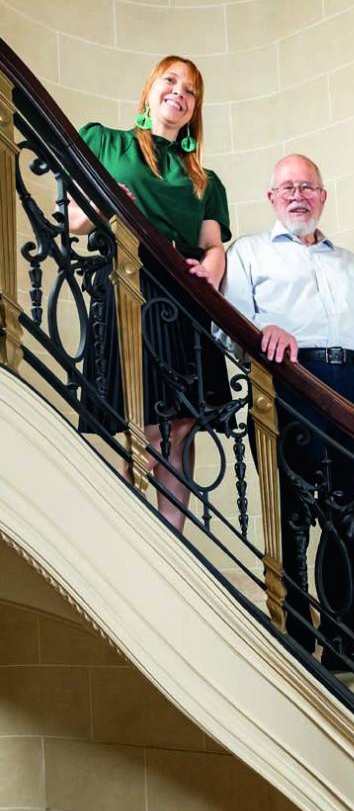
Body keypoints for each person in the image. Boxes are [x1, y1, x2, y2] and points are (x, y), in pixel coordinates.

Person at [218, 153, 354, 670]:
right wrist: (260, 332)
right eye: (288, 187)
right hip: (287, 382)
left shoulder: (351, 262)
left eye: (308, 187)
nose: (299, 195)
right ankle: (296, 636)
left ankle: (341, 642)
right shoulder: (248, 252)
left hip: (350, 388)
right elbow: (226, 322)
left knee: (348, 516)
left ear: (323, 196)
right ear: (272, 199)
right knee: (291, 515)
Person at [67, 55, 231, 533]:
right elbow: (73, 220)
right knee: (147, 425)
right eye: (171, 81)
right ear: (150, 90)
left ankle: (172, 546)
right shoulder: (106, 142)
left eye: (191, 90)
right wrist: (108, 204)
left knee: (181, 428)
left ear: (194, 110)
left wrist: (211, 273)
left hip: (182, 296)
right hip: (129, 282)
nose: (180, 93)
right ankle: (141, 542)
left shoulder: (205, 179)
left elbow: (213, 245)